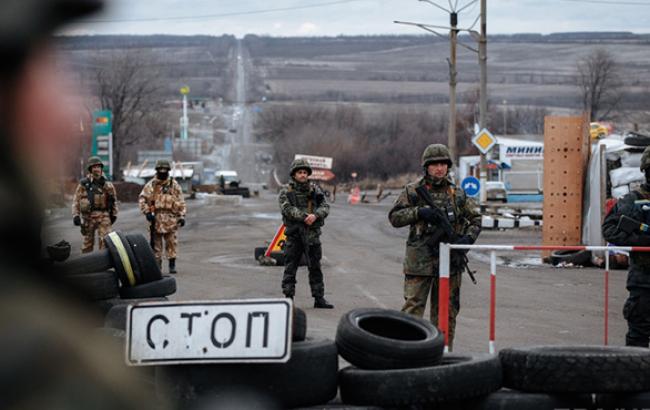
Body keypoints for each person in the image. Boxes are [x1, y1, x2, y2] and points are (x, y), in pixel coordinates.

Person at [0, 0, 159, 408]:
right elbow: (78, 198)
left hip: (104, 218)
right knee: (91, 253)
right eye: (40, 75)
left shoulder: (104, 184)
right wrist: (77, 211)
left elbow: (112, 197)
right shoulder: (34, 351)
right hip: (88, 221)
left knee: (105, 252)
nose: (66, 110)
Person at [389, 144, 481, 349]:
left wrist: (467, 240)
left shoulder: (457, 194)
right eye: (434, 164)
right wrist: (418, 212)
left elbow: (476, 218)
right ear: (426, 167)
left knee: (446, 312)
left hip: (450, 261)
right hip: (420, 261)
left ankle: (443, 354)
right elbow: (394, 217)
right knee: (412, 311)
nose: (439, 168)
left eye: (443, 164)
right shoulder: (413, 191)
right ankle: (407, 353)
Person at [603, 146, 650, 347]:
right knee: (638, 336)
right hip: (644, 279)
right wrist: (640, 241)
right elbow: (609, 228)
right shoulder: (634, 199)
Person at [279, 159, 334, 309]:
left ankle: (319, 298)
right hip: (295, 236)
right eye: (300, 172)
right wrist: (305, 217)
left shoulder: (314, 190)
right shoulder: (287, 191)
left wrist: (315, 215)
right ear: (294, 174)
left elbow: (325, 206)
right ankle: (288, 298)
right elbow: (287, 209)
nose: (303, 175)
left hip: (312, 236)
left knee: (315, 268)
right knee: (290, 268)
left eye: (305, 172)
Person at [138, 159, 186, 274]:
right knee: (156, 245)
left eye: (165, 170)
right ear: (157, 170)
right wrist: (147, 212)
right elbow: (142, 199)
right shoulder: (151, 185)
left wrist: (182, 216)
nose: (163, 171)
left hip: (171, 219)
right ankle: (157, 266)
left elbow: (181, 201)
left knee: (171, 243)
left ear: (168, 171)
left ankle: (172, 264)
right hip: (156, 219)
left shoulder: (174, 185)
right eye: (161, 169)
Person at [72, 156, 118, 253]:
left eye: (98, 166)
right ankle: (87, 265)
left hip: (104, 215)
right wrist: (76, 215)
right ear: (90, 169)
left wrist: (114, 214)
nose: (96, 169)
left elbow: (114, 201)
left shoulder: (108, 184)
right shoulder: (84, 184)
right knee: (87, 244)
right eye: (94, 167)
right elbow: (76, 200)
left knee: (105, 242)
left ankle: (104, 265)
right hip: (88, 217)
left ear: (101, 168)